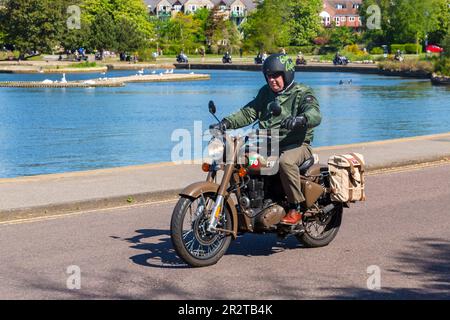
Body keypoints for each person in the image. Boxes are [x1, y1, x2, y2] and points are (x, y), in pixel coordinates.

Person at [209, 54, 322, 225]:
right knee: (240, 158)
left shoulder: (302, 92)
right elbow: (249, 112)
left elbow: (314, 113)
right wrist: (225, 123)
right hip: (268, 144)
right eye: (269, 76)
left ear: (287, 74)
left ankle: (295, 207)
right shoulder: (265, 93)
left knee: (285, 162)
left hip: (297, 145)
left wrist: (301, 119)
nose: (272, 80)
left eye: (276, 75)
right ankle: (248, 203)